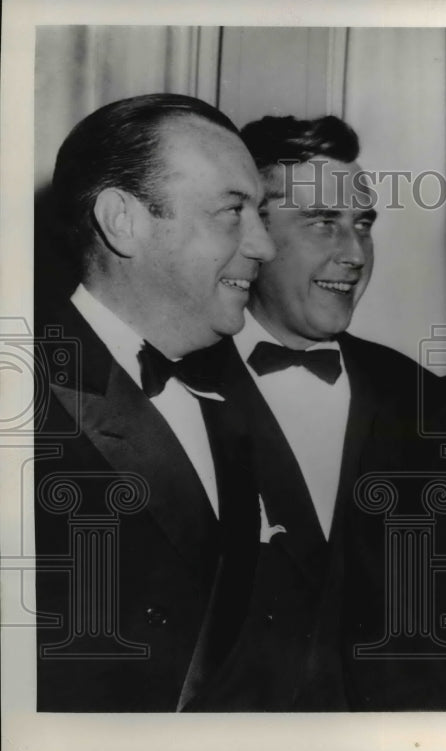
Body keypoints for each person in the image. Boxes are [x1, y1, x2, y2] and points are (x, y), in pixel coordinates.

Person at [195, 114, 446, 710]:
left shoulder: (420, 396)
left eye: (362, 224)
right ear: (250, 231)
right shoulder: (175, 385)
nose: (355, 253)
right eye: (322, 223)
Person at [34, 93, 276, 711]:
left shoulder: (232, 399)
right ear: (123, 220)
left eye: (261, 213)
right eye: (232, 211)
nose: (265, 247)